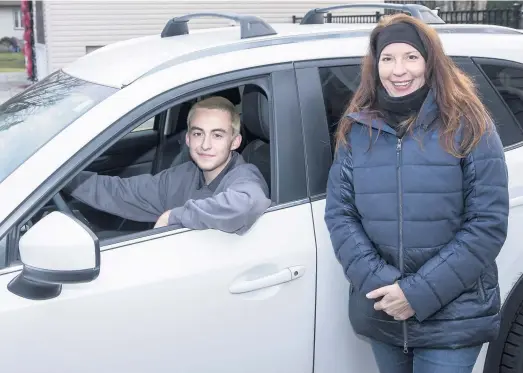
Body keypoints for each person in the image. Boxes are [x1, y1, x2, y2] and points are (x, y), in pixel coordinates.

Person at [324, 13, 509, 373]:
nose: (399, 70)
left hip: (454, 316)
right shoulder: (356, 128)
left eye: (411, 57)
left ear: (430, 61)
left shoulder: (469, 124)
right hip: (384, 312)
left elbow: (487, 223)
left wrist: (417, 293)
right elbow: (340, 214)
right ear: (375, 64)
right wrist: (388, 287)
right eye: (388, 58)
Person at [64, 96, 272, 235]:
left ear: (234, 142)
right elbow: (123, 192)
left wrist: (174, 216)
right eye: (198, 133)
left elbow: (248, 204)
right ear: (188, 139)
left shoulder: (244, 175)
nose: (205, 145)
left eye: (217, 135)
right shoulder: (184, 174)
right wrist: (66, 178)